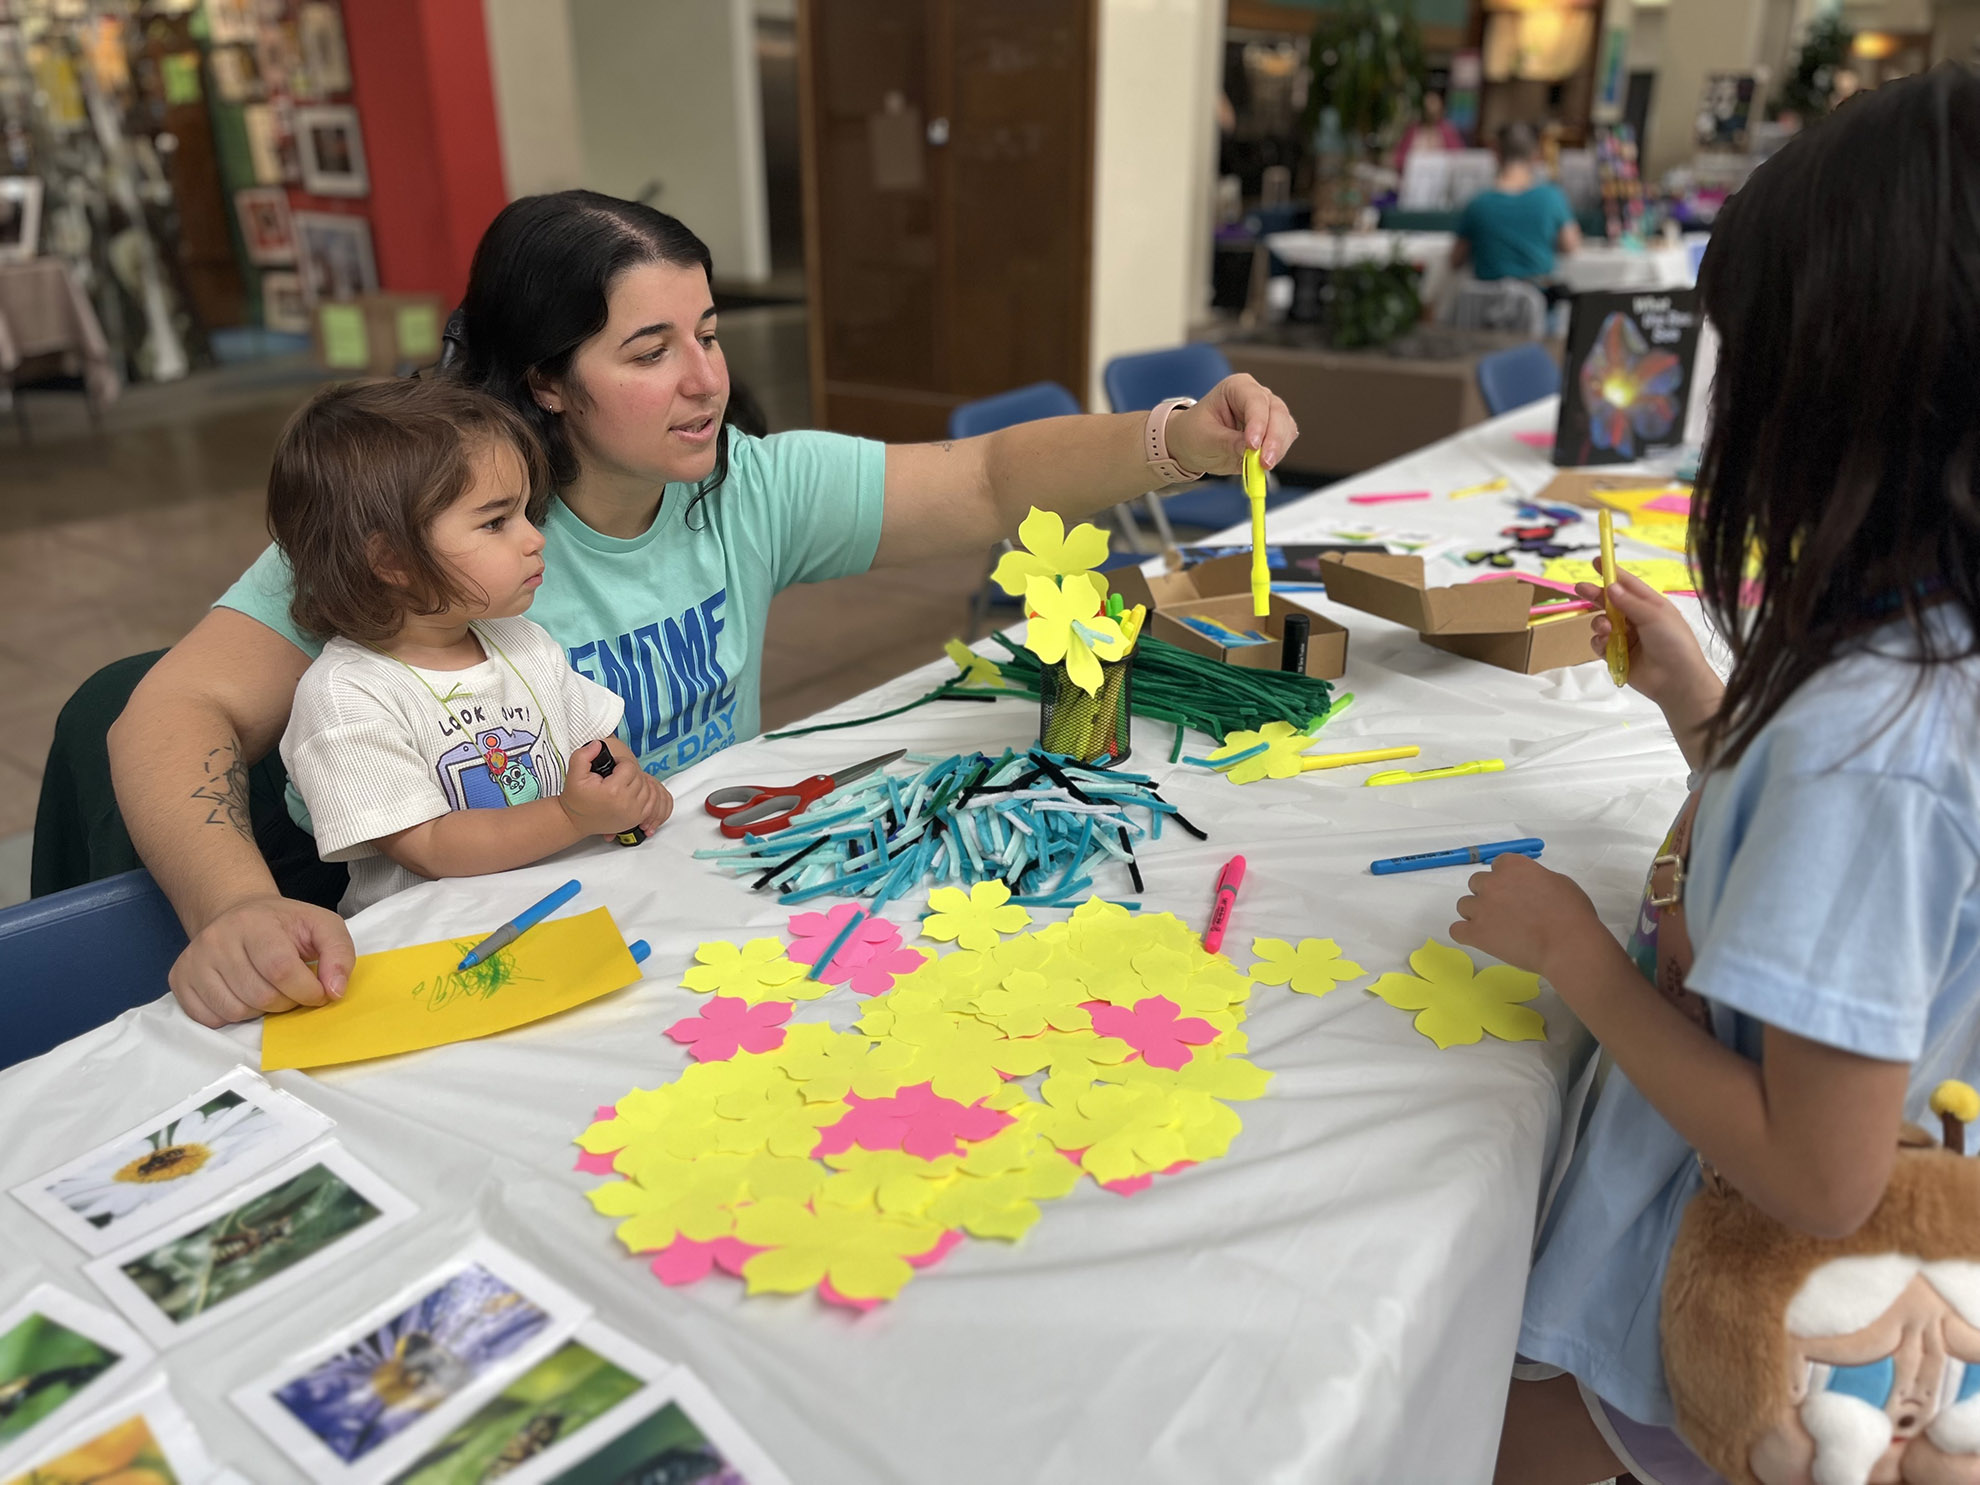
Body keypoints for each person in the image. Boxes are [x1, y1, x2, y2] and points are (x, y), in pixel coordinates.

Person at [109, 189, 1298, 1029]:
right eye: (649, 351)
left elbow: (986, 477)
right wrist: (236, 908)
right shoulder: (426, 537)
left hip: (698, 920)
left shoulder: (744, 483)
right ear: (545, 381)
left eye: (711, 334)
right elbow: (166, 715)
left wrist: (1179, 439)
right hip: (501, 958)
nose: (706, 380)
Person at [1459, 69, 1980, 1484]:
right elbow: (1849, 901)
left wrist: (1575, 955)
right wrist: (1702, 703)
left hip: (1722, 1315)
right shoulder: (1922, 653)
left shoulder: (1869, 745)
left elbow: (1817, 1173)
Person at [268, 379, 671, 918]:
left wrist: (626, 786)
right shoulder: (347, 696)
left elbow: (595, 748)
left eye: (527, 514)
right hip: (438, 943)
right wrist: (573, 817)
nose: (535, 539)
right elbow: (430, 847)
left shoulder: (520, 641)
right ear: (392, 561)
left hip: (565, 908)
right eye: (495, 522)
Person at [1449, 121, 1581, 284]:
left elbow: (1456, 260)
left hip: (1487, 298)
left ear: (1496, 153)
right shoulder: (1551, 198)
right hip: (1536, 295)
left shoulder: (1478, 204)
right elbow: (1570, 245)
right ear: (1536, 155)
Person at [1393, 91, 1464, 176]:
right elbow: (1399, 157)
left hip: (1440, 176)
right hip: (1414, 176)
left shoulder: (1448, 131)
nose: (1431, 112)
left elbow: (1458, 157)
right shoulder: (1413, 130)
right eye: (1428, 109)